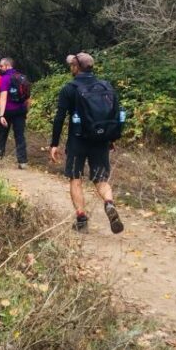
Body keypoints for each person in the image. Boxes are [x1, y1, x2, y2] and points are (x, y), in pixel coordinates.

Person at [49, 53, 124, 234]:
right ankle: (109, 203)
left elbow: (59, 118)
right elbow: (112, 115)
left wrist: (54, 144)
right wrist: (110, 138)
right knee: (101, 179)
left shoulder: (70, 88)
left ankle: (81, 219)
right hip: (100, 140)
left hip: (78, 140)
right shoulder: (105, 86)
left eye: (72, 66)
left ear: (76, 67)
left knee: (76, 179)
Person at [0, 58, 30, 169]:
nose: (0, 68)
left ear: (7, 65)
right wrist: (26, 111)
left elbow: (3, 97)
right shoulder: (21, 77)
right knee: (20, 136)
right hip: (20, 111)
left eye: (1, 66)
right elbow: (27, 97)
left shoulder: (5, 78)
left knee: (2, 135)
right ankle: (23, 161)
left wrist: (1, 115)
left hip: (7, 111)